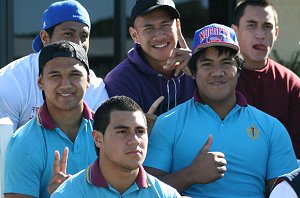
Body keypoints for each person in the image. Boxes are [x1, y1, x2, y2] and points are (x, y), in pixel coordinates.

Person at [143, 23, 298, 197]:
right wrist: (190, 174)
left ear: (239, 70)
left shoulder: (271, 128)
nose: (217, 72)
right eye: (207, 64)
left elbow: (287, 192)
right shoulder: (167, 123)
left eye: (226, 63)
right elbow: (146, 192)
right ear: (193, 72)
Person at [4, 41, 97, 198]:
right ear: (40, 82)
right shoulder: (24, 141)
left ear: (88, 80)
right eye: (55, 76)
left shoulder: (108, 129)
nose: (65, 85)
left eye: (75, 75)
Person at [0, 0, 108, 132]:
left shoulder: (96, 88)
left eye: (84, 36)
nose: (77, 43)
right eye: (68, 34)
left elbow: (105, 145)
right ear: (45, 38)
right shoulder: (12, 80)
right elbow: (4, 146)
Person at [50, 96, 181, 197]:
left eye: (140, 131)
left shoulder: (167, 195)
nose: (135, 140)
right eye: (122, 132)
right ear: (98, 139)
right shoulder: (68, 194)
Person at [231, 0, 300, 158]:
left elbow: (296, 149)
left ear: (276, 33)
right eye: (251, 25)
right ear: (234, 31)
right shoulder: (218, 78)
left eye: (267, 26)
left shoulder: (291, 84)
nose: (260, 34)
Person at [104, 0, 195, 116]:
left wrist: (198, 71)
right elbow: (123, 132)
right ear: (134, 35)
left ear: (178, 26)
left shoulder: (198, 68)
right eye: (149, 29)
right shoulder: (120, 79)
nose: (159, 36)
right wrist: (144, 130)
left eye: (165, 25)